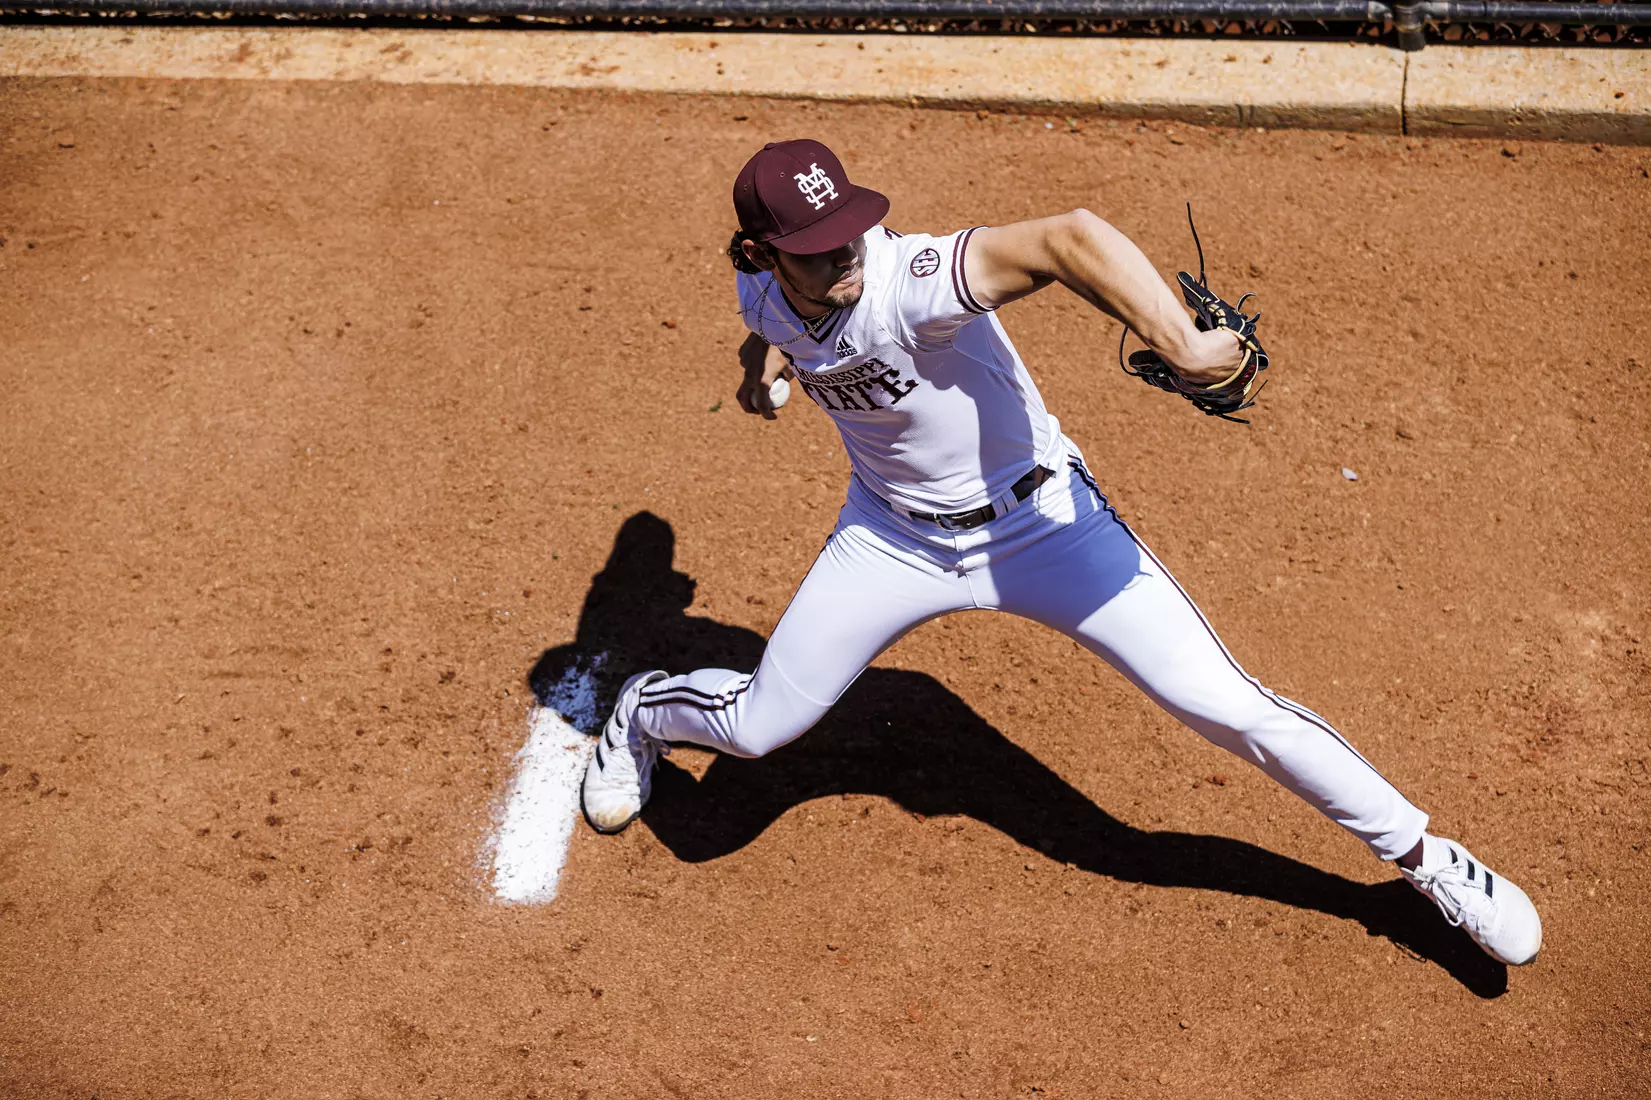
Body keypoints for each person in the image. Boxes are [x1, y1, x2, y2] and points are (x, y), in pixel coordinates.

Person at [580, 138, 1541, 967]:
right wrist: (765, 369)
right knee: (753, 731)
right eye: (812, 251)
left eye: (847, 236)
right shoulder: (762, 284)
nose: (842, 259)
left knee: (1226, 705)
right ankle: (640, 715)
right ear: (762, 252)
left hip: (1046, 529)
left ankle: (1425, 860)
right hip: (891, 540)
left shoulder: (912, 284)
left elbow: (1069, 236)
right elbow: (770, 324)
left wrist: (1179, 339)